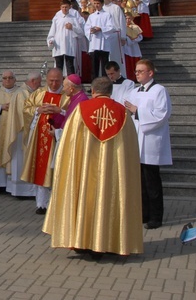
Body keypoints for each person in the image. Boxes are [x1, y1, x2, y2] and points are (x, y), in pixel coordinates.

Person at [43, 77, 144, 257]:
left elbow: (69, 141)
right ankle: (111, 242)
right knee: (110, 199)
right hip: (112, 171)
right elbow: (130, 147)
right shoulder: (122, 112)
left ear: (93, 91)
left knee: (85, 199)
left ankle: (82, 242)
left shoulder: (81, 110)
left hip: (85, 168)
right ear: (111, 92)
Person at [124, 59, 172, 230]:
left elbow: (162, 114)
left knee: (152, 181)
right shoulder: (135, 91)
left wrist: (137, 111)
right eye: (136, 71)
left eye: (140, 71)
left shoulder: (159, 90)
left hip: (151, 141)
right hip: (136, 140)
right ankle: (143, 213)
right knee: (140, 181)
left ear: (150, 73)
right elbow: (126, 109)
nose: (137, 74)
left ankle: (156, 216)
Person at [21, 68, 65, 214]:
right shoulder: (39, 94)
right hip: (40, 138)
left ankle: (57, 204)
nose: (53, 84)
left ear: (62, 80)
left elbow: (73, 112)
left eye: (57, 81)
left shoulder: (67, 95)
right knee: (41, 168)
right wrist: (37, 111)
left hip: (59, 138)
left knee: (58, 169)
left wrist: (60, 111)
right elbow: (26, 108)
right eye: (51, 80)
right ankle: (41, 204)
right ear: (47, 79)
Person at [2, 72, 42, 199]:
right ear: (33, 81)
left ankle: (30, 189)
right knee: (21, 160)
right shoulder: (21, 94)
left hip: (31, 131)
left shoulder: (31, 92)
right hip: (21, 133)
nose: (40, 84)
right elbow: (23, 113)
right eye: (39, 82)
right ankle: (21, 190)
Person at [0, 71, 21, 193]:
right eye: (5, 78)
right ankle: (0, 185)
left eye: (10, 78)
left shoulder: (20, 93)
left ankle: (13, 186)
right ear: (2, 80)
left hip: (15, 130)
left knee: (14, 155)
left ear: (15, 80)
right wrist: (0, 107)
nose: (8, 80)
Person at [47, 0, 85, 76]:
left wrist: (72, 27)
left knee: (70, 65)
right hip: (59, 45)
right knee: (59, 66)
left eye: (66, 7)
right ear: (60, 7)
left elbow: (81, 33)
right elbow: (52, 32)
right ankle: (59, 83)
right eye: (63, 7)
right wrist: (51, 40)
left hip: (69, 45)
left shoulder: (73, 18)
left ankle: (72, 83)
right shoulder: (57, 18)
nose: (64, 9)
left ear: (69, 7)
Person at [84, 0, 115, 79]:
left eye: (98, 3)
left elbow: (111, 27)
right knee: (94, 67)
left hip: (104, 43)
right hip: (94, 43)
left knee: (105, 66)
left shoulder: (107, 15)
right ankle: (94, 85)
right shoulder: (91, 16)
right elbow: (86, 28)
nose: (96, 5)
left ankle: (105, 84)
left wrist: (101, 29)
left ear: (102, 4)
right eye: (95, 3)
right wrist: (91, 31)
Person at [102, 0, 128, 79]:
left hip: (115, 35)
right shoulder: (101, 9)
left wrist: (123, 36)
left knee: (116, 57)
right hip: (104, 36)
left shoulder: (115, 8)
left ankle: (120, 76)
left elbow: (122, 22)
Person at [123, 13, 144, 80]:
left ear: (132, 19)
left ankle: (136, 77)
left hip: (134, 47)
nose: (128, 20)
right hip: (126, 46)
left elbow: (140, 37)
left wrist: (133, 40)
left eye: (129, 18)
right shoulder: (123, 27)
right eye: (126, 18)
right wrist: (128, 39)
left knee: (135, 62)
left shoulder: (136, 27)